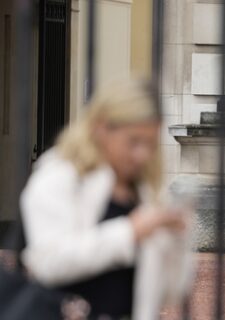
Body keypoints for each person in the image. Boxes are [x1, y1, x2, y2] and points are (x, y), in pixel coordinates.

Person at [19, 79, 193, 319]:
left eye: (150, 144)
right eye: (133, 141)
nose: (142, 155)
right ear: (101, 128)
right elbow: (48, 263)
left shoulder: (145, 189)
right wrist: (130, 231)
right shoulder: (61, 174)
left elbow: (170, 292)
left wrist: (177, 239)